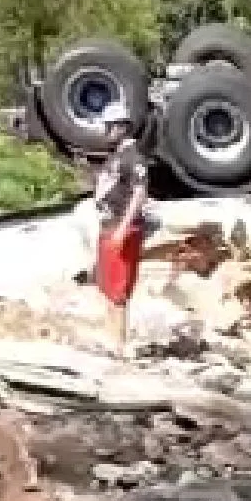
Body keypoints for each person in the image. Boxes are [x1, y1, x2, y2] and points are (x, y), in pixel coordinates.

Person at [94, 101, 148, 358]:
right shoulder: (115, 156)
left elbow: (139, 192)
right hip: (107, 224)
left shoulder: (132, 156)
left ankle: (120, 345)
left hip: (121, 228)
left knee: (119, 290)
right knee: (106, 285)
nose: (106, 132)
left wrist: (123, 228)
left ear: (121, 127)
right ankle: (109, 339)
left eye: (109, 127)